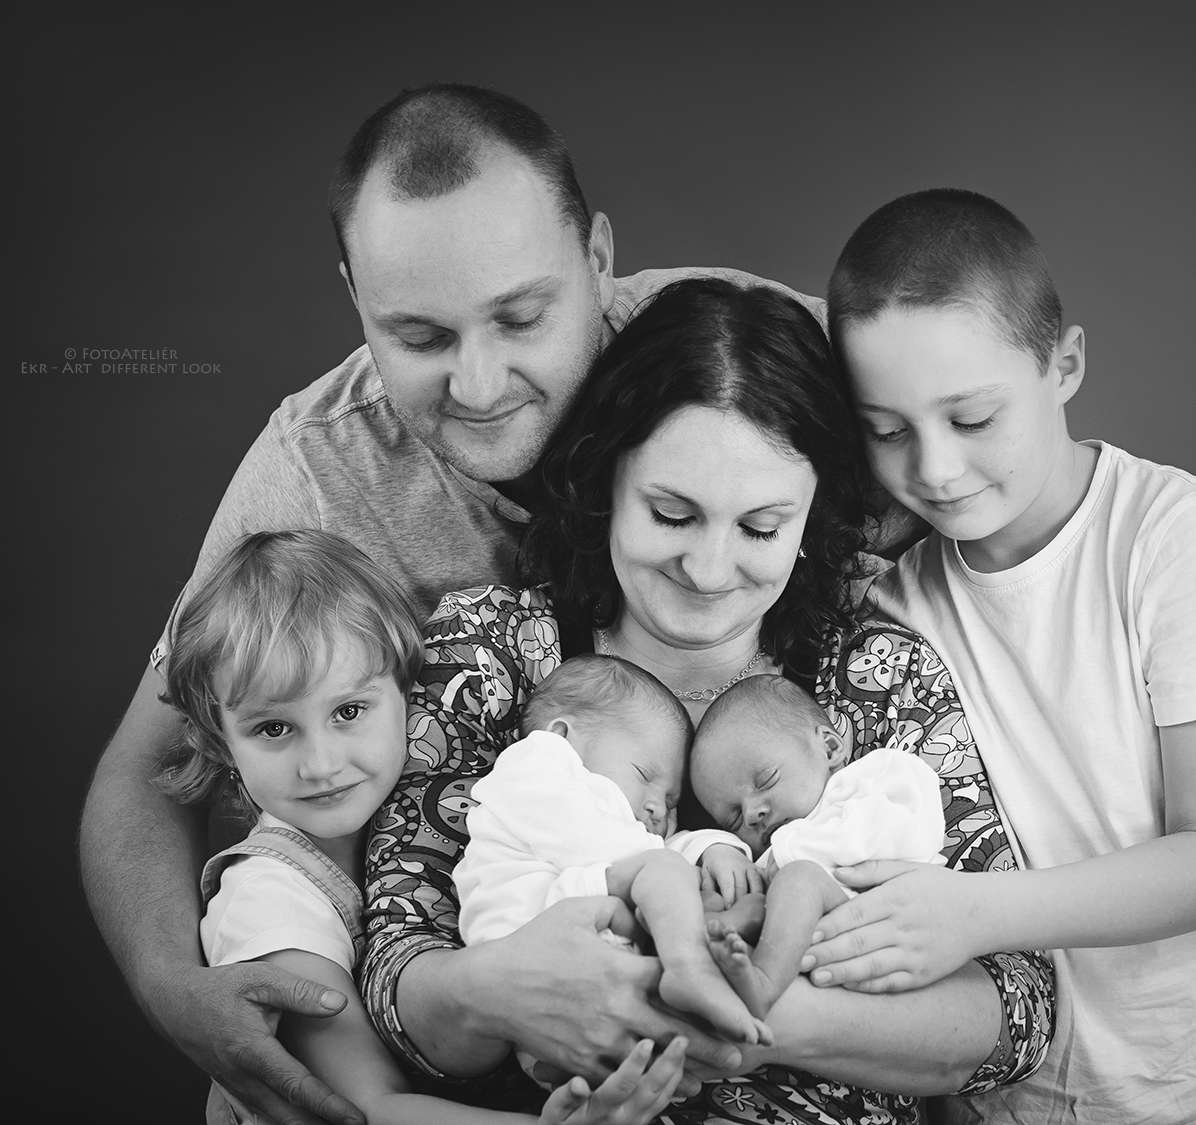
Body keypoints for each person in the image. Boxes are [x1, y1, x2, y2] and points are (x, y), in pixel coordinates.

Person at [75, 82, 1196, 1125]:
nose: (477, 380)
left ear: (597, 261)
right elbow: (171, 773)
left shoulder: (797, 443)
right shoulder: (367, 524)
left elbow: (995, 466)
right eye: (419, 335)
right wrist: (170, 985)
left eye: (521, 316)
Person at [364, 277, 1054, 1125]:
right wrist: (503, 992)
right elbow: (394, 971)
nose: (709, 568)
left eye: (761, 527)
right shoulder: (492, 654)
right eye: (671, 514)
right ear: (605, 481)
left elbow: (1019, 1009)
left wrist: (757, 1020)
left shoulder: (878, 676)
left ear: (812, 521)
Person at [813, 188, 1196, 1123]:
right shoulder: (896, 601)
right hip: (1019, 1096)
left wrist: (972, 911)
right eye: (888, 430)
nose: (934, 468)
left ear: (1065, 364)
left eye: (972, 418)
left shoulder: (1175, 538)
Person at [160, 529, 688, 1125]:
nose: (321, 764)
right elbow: (366, 1109)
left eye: (348, 711)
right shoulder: (271, 897)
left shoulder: (448, 820)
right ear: (219, 742)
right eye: (273, 729)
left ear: (411, 691)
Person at [453, 655, 770, 1047]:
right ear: (561, 736)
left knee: (686, 890)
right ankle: (689, 966)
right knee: (668, 877)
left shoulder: (616, 824)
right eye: (645, 775)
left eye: (671, 802)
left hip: (585, 938)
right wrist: (680, 871)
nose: (658, 809)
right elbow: (597, 843)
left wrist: (714, 848)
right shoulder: (530, 770)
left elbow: (651, 851)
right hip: (525, 941)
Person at [690, 674, 947, 1019]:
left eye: (766, 780)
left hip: (886, 924)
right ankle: (712, 947)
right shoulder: (772, 847)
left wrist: (792, 851)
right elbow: (671, 849)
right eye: (733, 818)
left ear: (829, 748)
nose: (751, 814)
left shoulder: (876, 778)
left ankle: (763, 984)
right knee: (721, 895)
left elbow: (901, 831)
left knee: (799, 880)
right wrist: (716, 847)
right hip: (809, 939)